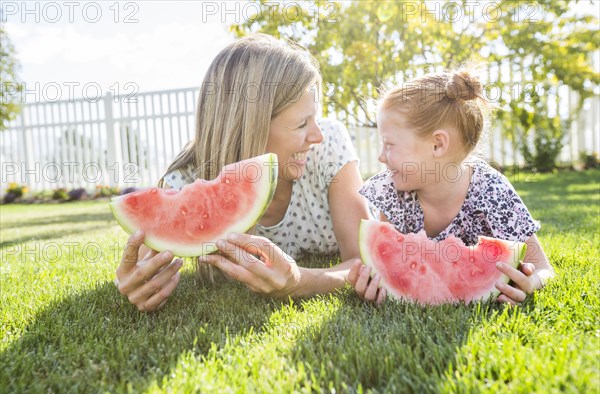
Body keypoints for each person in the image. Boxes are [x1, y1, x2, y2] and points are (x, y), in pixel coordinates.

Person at [114, 33, 370, 312]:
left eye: (315, 117)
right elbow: (141, 267)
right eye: (300, 124)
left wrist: (301, 282)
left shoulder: (329, 144)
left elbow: (364, 264)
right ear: (250, 129)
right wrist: (135, 282)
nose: (316, 135)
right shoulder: (186, 178)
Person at [347, 68, 555, 306]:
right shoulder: (392, 192)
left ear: (437, 144)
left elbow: (543, 268)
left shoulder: (492, 191)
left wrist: (531, 282)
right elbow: (388, 260)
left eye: (389, 144)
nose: (381, 157)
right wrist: (374, 281)